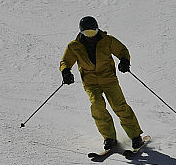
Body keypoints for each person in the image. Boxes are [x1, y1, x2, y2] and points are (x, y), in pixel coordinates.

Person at [60, 16, 144, 151]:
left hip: (109, 79)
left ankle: (135, 136)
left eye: (92, 32)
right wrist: (66, 72)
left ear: (97, 30)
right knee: (97, 106)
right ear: (81, 33)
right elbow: (65, 62)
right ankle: (109, 138)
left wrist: (124, 61)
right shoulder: (74, 46)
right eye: (87, 34)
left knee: (119, 105)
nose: (90, 37)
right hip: (90, 83)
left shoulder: (107, 40)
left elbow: (122, 50)